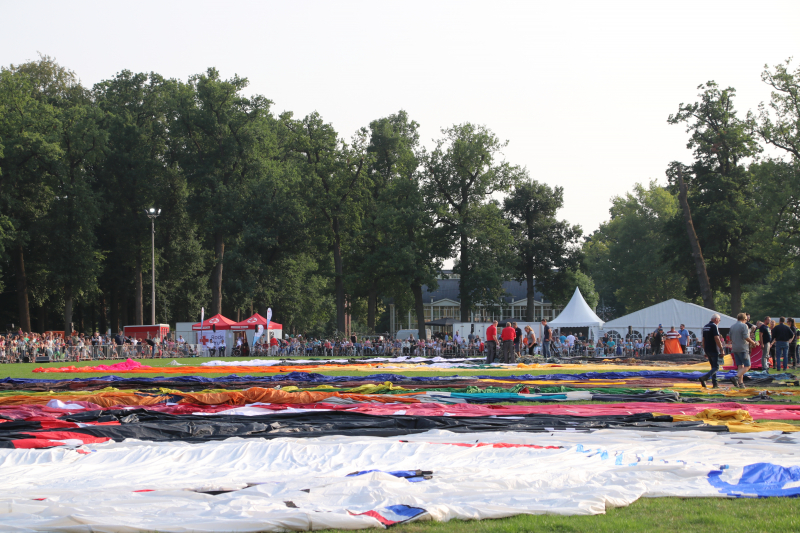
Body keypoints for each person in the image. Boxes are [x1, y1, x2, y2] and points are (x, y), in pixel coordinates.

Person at [730, 312, 757, 388]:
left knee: (740, 366)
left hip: (735, 348)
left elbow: (731, 338)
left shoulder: (732, 326)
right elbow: (746, 337)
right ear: (744, 319)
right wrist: (753, 342)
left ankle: (740, 383)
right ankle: (735, 377)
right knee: (748, 366)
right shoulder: (744, 326)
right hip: (743, 348)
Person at [699, 313, 724, 388]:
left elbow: (703, 339)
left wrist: (704, 350)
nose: (719, 321)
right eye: (719, 320)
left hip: (707, 349)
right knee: (716, 367)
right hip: (714, 349)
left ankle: (715, 384)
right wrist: (722, 349)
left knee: (713, 367)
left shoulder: (706, 326)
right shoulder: (714, 326)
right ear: (716, 319)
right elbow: (717, 338)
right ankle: (705, 377)